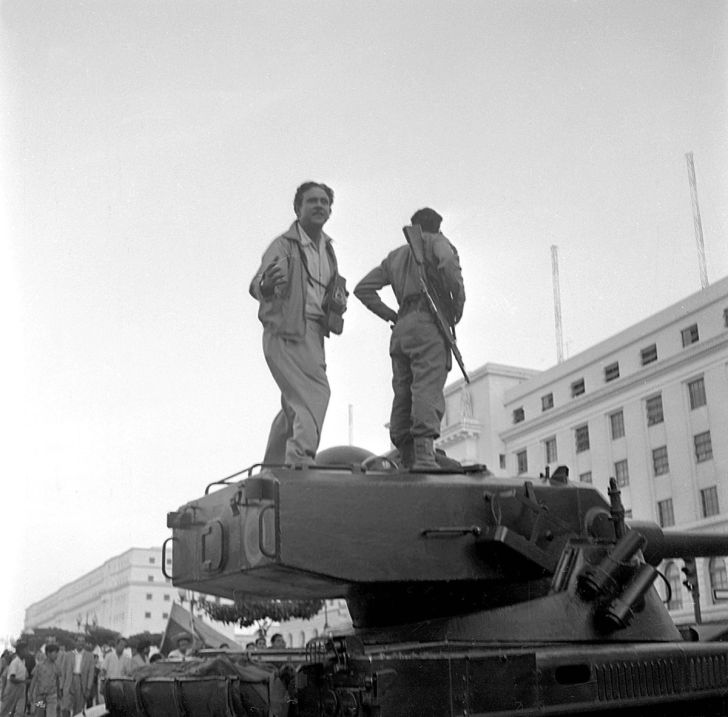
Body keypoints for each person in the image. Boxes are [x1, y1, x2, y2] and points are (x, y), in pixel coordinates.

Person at [354, 208, 465, 470]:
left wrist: (393, 315)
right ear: (438, 227)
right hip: (429, 323)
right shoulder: (438, 242)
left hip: (402, 328)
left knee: (403, 391)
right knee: (426, 386)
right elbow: (448, 264)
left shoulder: (396, 255)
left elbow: (363, 289)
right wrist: (455, 308)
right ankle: (425, 456)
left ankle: (406, 456)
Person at [250, 181, 346, 466]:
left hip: (314, 333)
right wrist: (267, 286)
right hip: (287, 330)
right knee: (315, 393)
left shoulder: (328, 249)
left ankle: (274, 465)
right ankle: (300, 460)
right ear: (298, 208)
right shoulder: (284, 245)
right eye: (312, 201)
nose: (319, 206)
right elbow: (258, 283)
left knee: (294, 402)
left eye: (324, 202)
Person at [60, 635, 94, 717]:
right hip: (69, 682)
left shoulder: (89, 656)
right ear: (75, 642)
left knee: (78, 708)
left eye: (83, 641)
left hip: (81, 683)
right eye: (79, 641)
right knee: (65, 707)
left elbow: (91, 673)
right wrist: (61, 686)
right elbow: (63, 672)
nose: (81, 643)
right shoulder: (67, 655)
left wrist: (88, 688)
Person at [28, 644, 61, 717]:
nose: (57, 656)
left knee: (51, 714)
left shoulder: (57, 666)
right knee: (39, 714)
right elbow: (34, 680)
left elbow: (57, 681)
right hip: (40, 696)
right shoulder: (39, 666)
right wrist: (30, 694)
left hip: (52, 696)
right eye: (55, 653)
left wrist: (59, 694)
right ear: (48, 653)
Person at [0, 641, 28, 717]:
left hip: (21, 688)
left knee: (19, 711)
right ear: (20, 651)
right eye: (25, 650)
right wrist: (24, 681)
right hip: (13, 688)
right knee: (5, 710)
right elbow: (12, 678)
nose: (27, 652)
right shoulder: (15, 662)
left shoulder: (23, 661)